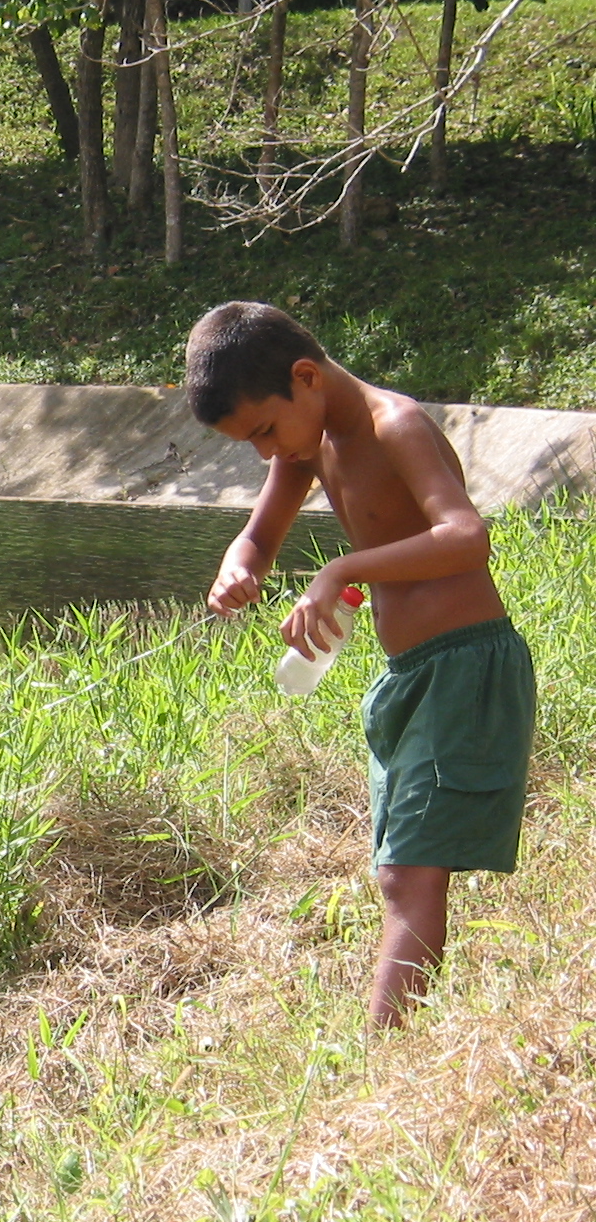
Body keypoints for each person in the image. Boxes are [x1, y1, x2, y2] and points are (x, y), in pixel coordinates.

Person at [185, 301, 535, 1029]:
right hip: (408, 677)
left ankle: (380, 1050)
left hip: (466, 666)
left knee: (410, 874)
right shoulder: (304, 446)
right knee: (397, 869)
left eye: (262, 431)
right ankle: (392, 1035)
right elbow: (258, 536)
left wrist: (339, 568)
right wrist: (235, 569)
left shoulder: (393, 426)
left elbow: (466, 537)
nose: (264, 454)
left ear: (305, 377)